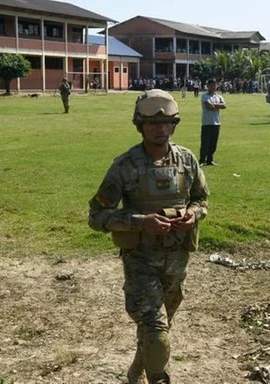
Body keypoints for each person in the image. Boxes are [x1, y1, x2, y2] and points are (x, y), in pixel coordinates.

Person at [88, 89, 209, 384]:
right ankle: (157, 378)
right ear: (140, 125)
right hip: (140, 261)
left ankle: (135, 371)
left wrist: (193, 214)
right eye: (152, 123)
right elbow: (97, 216)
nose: (160, 128)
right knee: (156, 332)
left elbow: (201, 200)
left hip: (177, 261)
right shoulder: (125, 166)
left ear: (174, 124)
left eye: (167, 122)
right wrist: (141, 222)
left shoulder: (187, 160)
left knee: (159, 327)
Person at [199, 79, 226, 166]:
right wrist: (218, 106)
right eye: (211, 85)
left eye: (214, 85)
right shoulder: (205, 96)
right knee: (205, 142)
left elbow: (224, 106)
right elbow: (208, 106)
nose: (213, 87)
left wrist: (214, 105)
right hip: (207, 122)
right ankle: (202, 160)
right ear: (208, 86)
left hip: (216, 123)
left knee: (213, 143)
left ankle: (209, 160)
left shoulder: (219, 96)